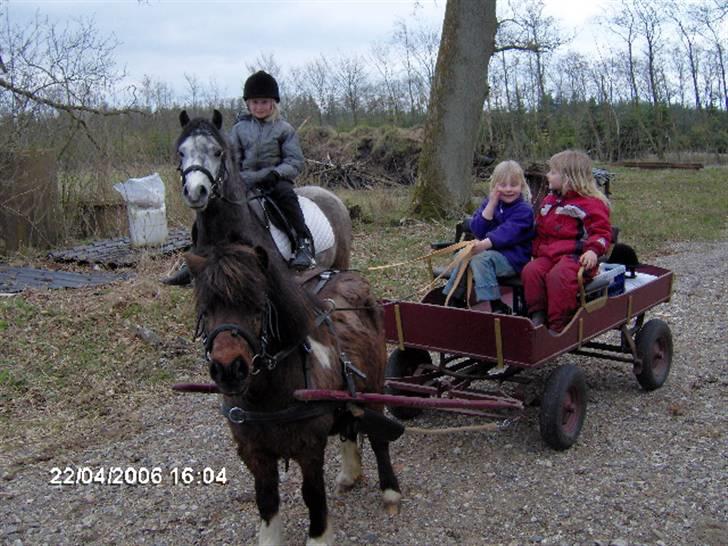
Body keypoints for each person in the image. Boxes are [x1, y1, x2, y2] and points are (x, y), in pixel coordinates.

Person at [229, 70, 315, 270]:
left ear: (273, 103)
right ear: (248, 104)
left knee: (287, 197)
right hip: (245, 180)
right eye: (255, 102)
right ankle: (199, 248)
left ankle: (303, 243)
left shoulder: (284, 129)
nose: (259, 107)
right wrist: (238, 178)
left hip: (275, 179)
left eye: (264, 102)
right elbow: (232, 160)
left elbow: (294, 161)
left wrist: (276, 173)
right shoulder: (238, 130)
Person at [521, 150, 612, 332]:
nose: (547, 175)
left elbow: (601, 232)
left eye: (553, 172)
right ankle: (537, 313)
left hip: (576, 258)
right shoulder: (550, 201)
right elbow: (539, 229)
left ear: (569, 178)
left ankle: (558, 324)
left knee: (558, 277)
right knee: (531, 271)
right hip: (549, 255)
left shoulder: (591, 204)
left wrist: (593, 250)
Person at [442, 160, 534, 313]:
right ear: (495, 186)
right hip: (490, 255)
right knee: (463, 254)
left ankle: (495, 304)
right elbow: (477, 229)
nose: (508, 189)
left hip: (514, 259)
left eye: (513, 185)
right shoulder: (490, 203)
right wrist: (491, 205)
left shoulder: (524, 210)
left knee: (480, 259)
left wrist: (483, 245)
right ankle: (454, 298)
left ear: (522, 186)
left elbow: (506, 233)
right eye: (503, 185)